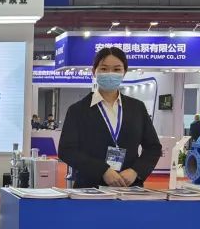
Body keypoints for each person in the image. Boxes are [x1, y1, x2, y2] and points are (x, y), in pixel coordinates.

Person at [59, 47, 163, 188]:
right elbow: (66, 150)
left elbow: (153, 147)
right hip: (90, 188)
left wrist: (136, 171)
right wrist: (102, 170)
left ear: (124, 72)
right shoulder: (77, 110)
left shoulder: (137, 108)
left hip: (129, 188)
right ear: (94, 71)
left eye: (116, 69)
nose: (110, 73)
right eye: (104, 68)